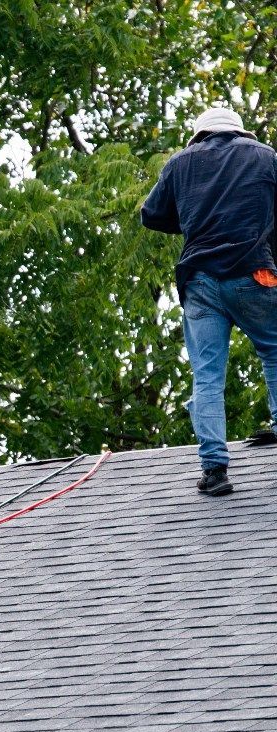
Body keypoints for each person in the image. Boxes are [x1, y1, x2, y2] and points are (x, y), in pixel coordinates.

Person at [141, 106, 277, 496]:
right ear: (240, 132)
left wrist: (193, 216)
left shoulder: (180, 163)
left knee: (207, 375)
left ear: (199, 134)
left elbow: (151, 214)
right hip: (255, 273)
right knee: (273, 351)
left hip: (200, 280)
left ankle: (214, 468)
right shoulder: (266, 156)